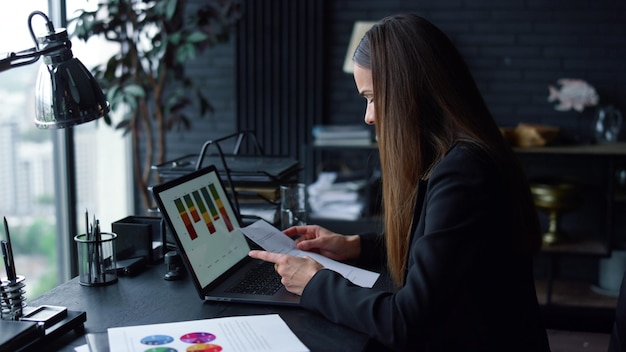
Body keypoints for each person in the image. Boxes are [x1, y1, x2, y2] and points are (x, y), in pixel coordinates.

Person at [249, 13, 550, 351]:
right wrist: (357, 245)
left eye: (373, 97)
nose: (368, 116)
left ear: (412, 91)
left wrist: (315, 282)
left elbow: (406, 321)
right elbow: (442, 250)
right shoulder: (458, 156)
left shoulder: (465, 173)